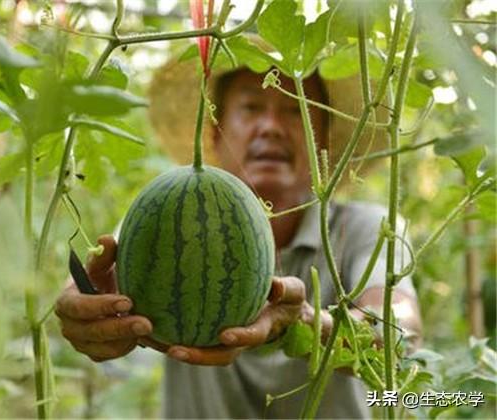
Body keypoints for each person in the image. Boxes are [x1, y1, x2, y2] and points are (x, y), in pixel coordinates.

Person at [54, 51, 422, 418]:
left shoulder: (365, 228)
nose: (272, 126)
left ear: (322, 138)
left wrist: (303, 323)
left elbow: (399, 341)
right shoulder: (166, 214)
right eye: (251, 107)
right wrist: (91, 312)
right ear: (216, 132)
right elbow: (93, 290)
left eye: (296, 109)